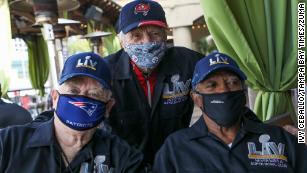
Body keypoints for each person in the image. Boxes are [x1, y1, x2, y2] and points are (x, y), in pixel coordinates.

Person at [153, 52, 307, 173]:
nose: (224, 90)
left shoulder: (281, 139)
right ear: (196, 98)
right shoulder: (176, 148)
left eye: (232, 83)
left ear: (243, 93)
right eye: (212, 85)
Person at [0, 52, 145, 173]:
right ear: (55, 98)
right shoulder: (8, 143)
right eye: (73, 91)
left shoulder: (122, 157)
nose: (81, 99)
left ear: (108, 107)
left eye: (94, 94)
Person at [105, 0, 203, 164]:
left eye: (155, 34)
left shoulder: (187, 62)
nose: (146, 42)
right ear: (121, 40)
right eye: (136, 35)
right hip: (126, 166)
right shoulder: (106, 71)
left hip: (176, 162)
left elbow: (225, 88)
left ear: (166, 34)